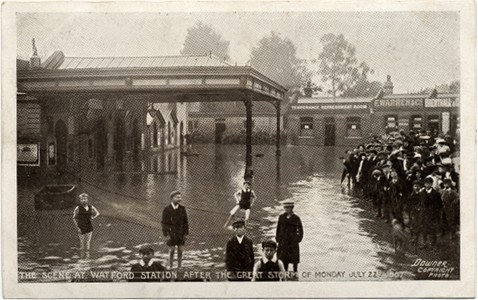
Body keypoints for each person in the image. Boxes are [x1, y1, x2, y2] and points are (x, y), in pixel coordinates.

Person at [162, 191, 189, 269]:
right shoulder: (167, 209)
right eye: (177, 197)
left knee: (180, 250)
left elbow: (185, 222)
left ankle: (179, 266)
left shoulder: (182, 208)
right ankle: (170, 266)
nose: (179, 199)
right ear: (172, 198)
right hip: (171, 233)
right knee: (172, 250)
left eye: (180, 197)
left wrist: (186, 234)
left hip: (180, 233)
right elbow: (164, 223)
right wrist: (166, 235)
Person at [276, 201, 303, 273]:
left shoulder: (296, 218)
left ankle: (295, 272)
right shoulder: (281, 217)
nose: (286, 209)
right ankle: (285, 273)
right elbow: (278, 228)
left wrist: (298, 239)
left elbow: (300, 230)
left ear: (291, 208)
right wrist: (278, 238)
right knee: (284, 258)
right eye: (285, 207)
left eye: (288, 208)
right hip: (283, 241)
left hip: (293, 242)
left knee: (294, 259)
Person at [73, 193, 100, 259]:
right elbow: (74, 218)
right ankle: (82, 258)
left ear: (87, 199)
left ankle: (87, 258)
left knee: (88, 243)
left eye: (85, 199)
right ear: (80, 200)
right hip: (81, 227)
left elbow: (98, 213)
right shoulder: (78, 208)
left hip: (89, 227)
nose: (83, 200)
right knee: (82, 244)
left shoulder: (91, 207)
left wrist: (93, 217)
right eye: (82, 199)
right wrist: (77, 228)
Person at [423, 177, 443, 249]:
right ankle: (424, 243)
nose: (427, 185)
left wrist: (435, 213)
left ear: (431, 184)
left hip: (432, 215)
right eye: (426, 183)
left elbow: (439, 205)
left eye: (429, 183)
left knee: (432, 230)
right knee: (424, 229)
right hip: (424, 214)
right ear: (424, 184)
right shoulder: (422, 193)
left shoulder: (436, 194)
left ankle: (433, 244)